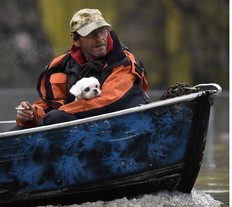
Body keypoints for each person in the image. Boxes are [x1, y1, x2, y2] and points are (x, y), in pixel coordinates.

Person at [13, 8, 150, 129]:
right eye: (91, 33)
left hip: (125, 129)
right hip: (84, 130)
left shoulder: (124, 62)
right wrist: (32, 113)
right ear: (76, 40)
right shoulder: (62, 66)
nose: (100, 38)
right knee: (21, 129)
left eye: (102, 31)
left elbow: (109, 101)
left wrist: (61, 113)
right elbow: (52, 105)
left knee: (56, 118)